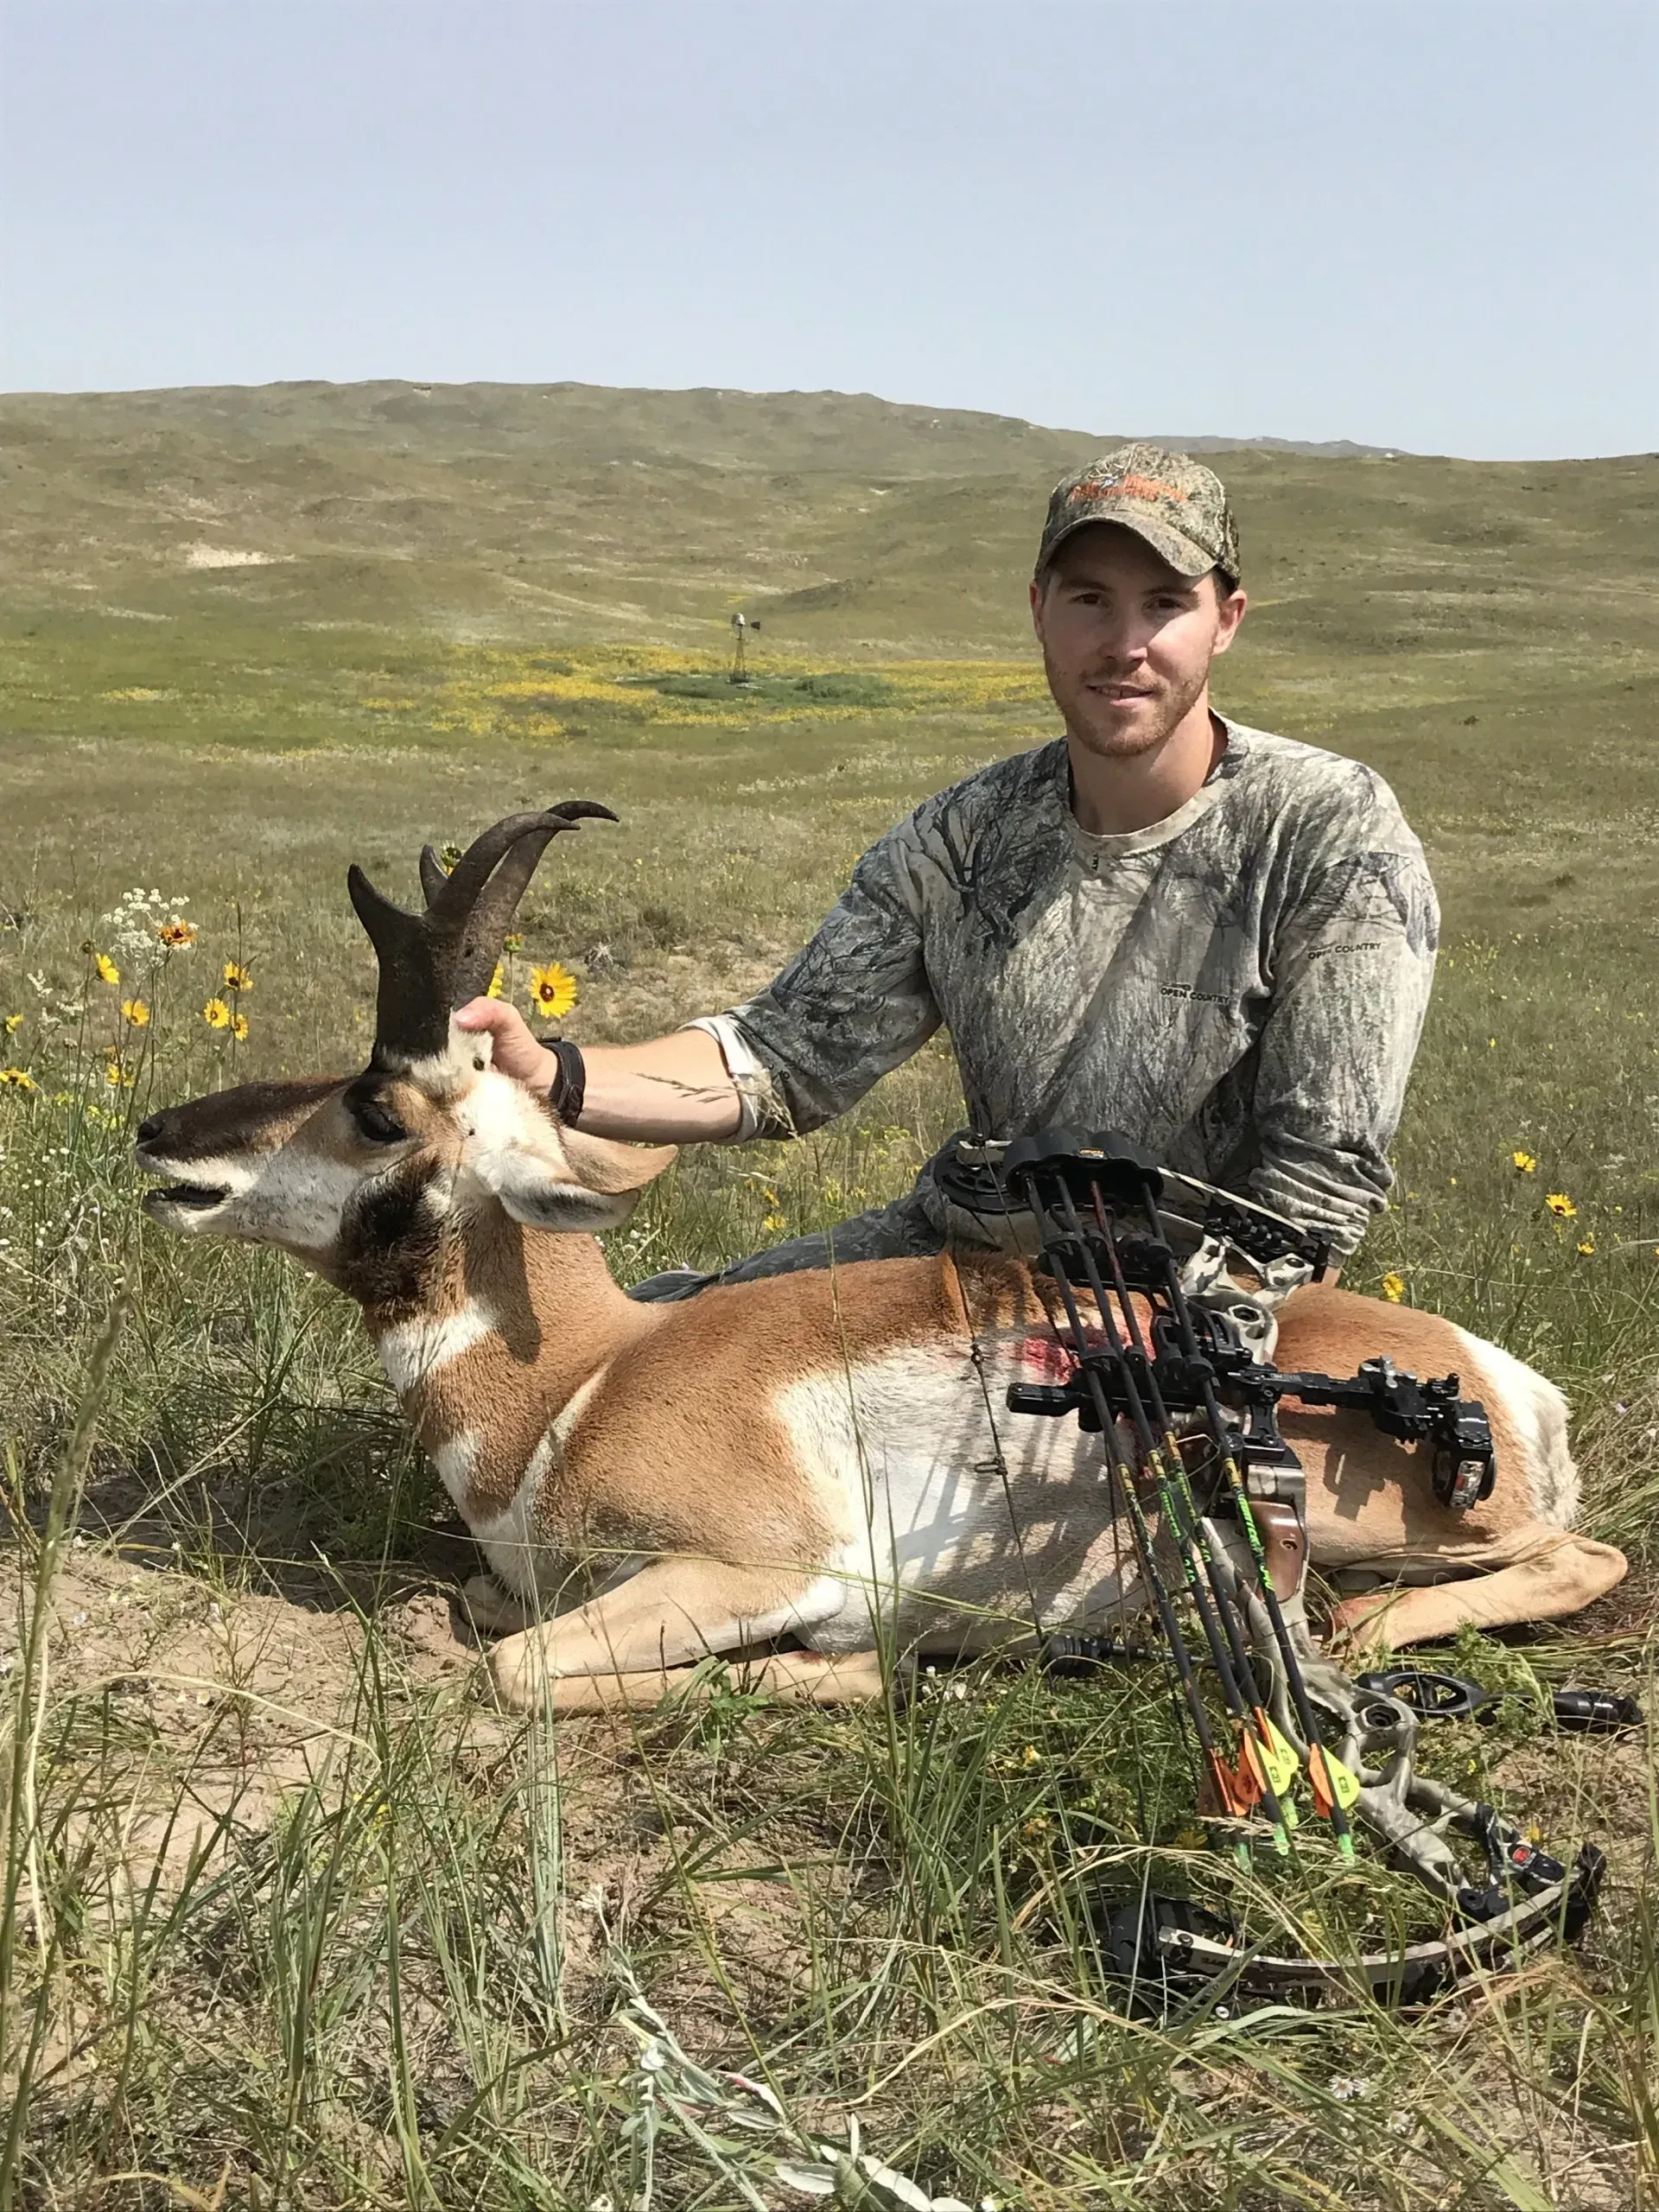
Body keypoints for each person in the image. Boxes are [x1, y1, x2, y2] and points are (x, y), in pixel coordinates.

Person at [457, 443, 1438, 1299]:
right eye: (1090, 599)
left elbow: (1315, 1194)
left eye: (1165, 604)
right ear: (1040, 611)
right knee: (664, 1344)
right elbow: (783, 1057)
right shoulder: (964, 838)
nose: (1125, 645)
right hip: (967, 1258)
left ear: (1225, 619)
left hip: (1190, 1306)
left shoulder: (1330, 834)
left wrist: (1189, 1353)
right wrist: (555, 1071)